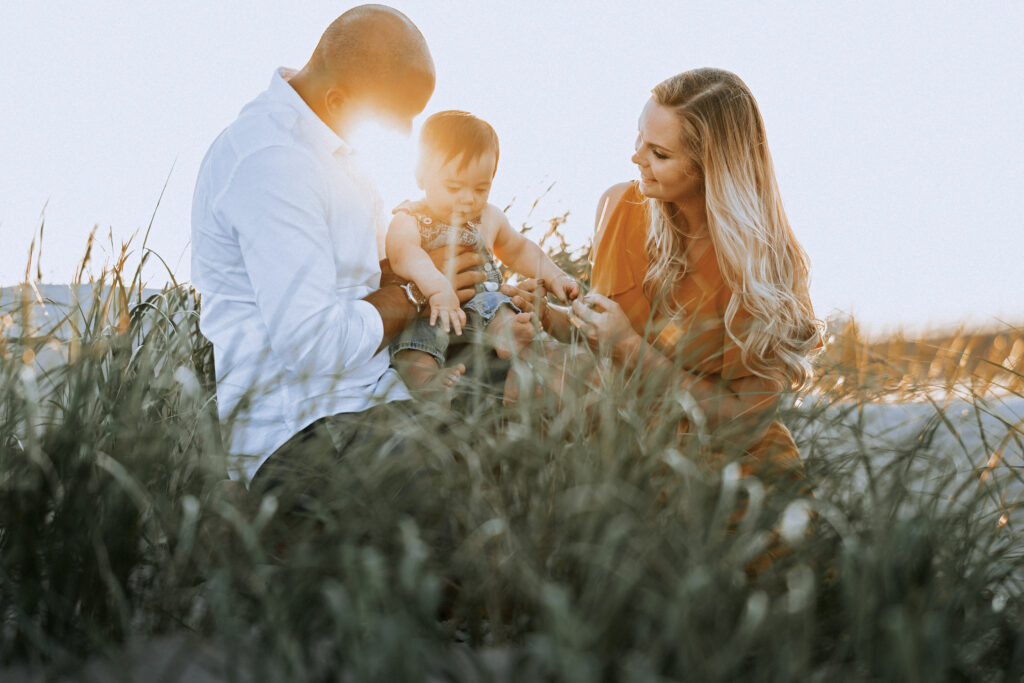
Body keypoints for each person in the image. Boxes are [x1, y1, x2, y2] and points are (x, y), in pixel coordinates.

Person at [191, 6, 512, 490]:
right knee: (461, 491)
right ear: (338, 98)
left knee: (529, 388)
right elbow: (313, 343)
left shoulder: (337, 151)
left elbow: (367, 279)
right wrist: (414, 294)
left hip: (375, 396)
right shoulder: (272, 164)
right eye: (395, 117)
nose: (405, 135)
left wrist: (461, 285)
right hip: (304, 431)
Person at [539, 68, 822, 479]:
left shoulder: (763, 265)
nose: (637, 158)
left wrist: (632, 350)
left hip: (727, 489)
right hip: (620, 472)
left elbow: (746, 419)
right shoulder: (617, 206)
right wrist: (547, 316)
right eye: (640, 138)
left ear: (711, 166)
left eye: (660, 154)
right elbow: (602, 335)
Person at [386, 110, 579, 398]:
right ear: (421, 175)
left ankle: (507, 336)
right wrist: (437, 287)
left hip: (481, 305)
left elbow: (519, 248)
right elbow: (403, 254)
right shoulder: (410, 218)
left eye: (481, 188)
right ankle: (427, 381)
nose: (468, 198)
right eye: (453, 187)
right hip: (430, 311)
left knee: (500, 303)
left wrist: (554, 275)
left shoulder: (488, 217)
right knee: (413, 344)